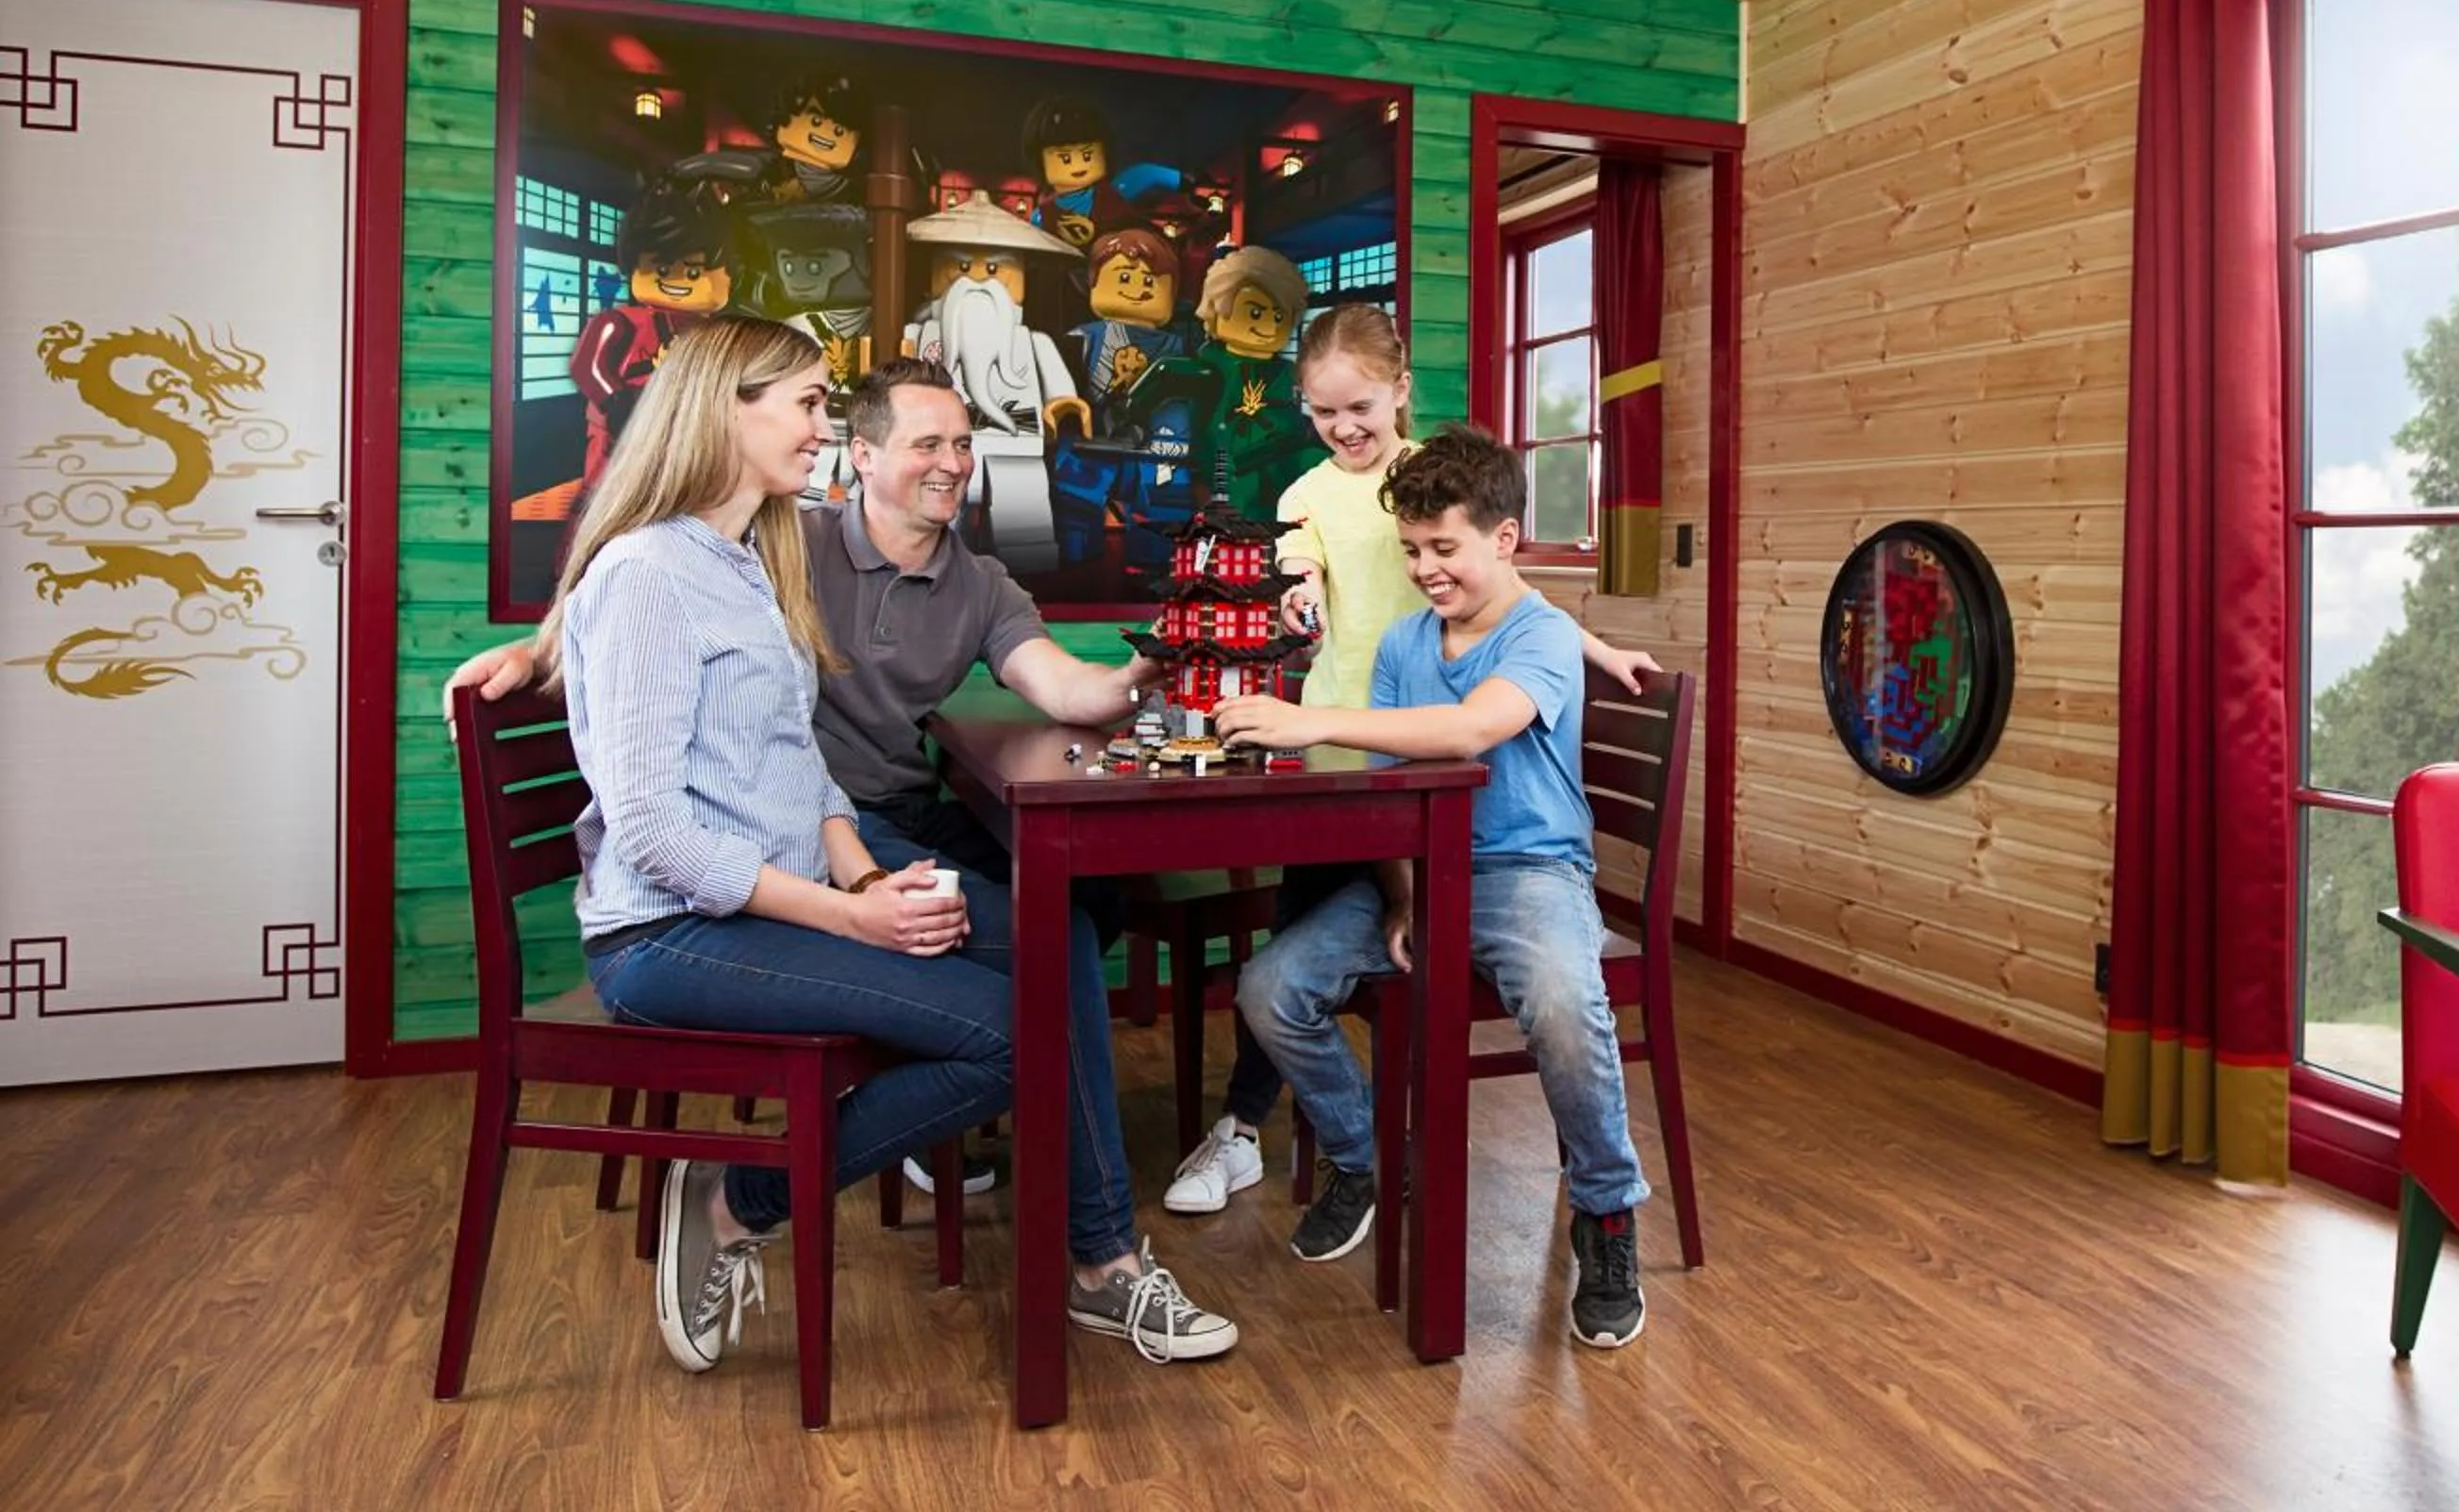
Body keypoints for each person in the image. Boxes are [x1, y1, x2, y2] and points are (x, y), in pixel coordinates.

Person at [453, 353, 1237, 1366]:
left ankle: (1087, 1252)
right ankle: (777, 1198)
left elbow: (798, 759)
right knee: (1022, 1009)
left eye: (963, 444)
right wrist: (541, 653)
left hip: (803, 859)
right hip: (677, 921)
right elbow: (650, 802)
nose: (952, 461)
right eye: (813, 407)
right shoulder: (733, 553)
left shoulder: (757, 559)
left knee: (1057, 943)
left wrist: (1147, 663)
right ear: (856, 454)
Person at [1162, 308, 1658, 1219]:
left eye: (1358, 407)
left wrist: (1590, 648)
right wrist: (1301, 605)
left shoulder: (1447, 484)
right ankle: (1297, 1139)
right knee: (1292, 950)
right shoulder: (1315, 506)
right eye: (1322, 413)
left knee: (1532, 986)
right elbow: (1303, 574)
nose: (1343, 427)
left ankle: (1598, 1207)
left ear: (1398, 391)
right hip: (1354, 740)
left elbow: (1515, 608)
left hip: (1464, 798)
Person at [1212, 424, 1654, 1351]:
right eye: (1412, 549)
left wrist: (1310, 720)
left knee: (1565, 1005)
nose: (1425, 569)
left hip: (1528, 872)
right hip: (1422, 871)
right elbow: (1394, 793)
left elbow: (1467, 732)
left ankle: (1607, 1211)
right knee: (1269, 987)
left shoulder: (1541, 635)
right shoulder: (1404, 642)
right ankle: (1368, 1158)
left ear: (1505, 537)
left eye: (1443, 548)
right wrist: (1406, 894)